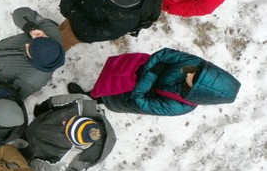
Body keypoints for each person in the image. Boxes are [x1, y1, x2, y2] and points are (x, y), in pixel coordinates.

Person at [88, 48, 241, 116]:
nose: (190, 74)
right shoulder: (196, 64)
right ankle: (90, 94)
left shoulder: (180, 106)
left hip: (123, 96)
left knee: (103, 96)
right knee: (102, 82)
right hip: (129, 71)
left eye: (192, 80)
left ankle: (90, 101)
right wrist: (149, 70)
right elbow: (164, 54)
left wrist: (152, 73)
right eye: (195, 72)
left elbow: (140, 102)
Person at [0, 7, 65, 100]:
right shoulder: (49, 30)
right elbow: (19, 13)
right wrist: (31, 28)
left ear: (35, 62)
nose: (26, 44)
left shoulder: (32, 81)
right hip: (0, 53)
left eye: (29, 50)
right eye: (32, 43)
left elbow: (13, 96)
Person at [20, 93, 115, 171]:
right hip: (39, 124)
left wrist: (30, 161)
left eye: (67, 127)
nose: (63, 121)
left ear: (74, 142)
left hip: (35, 148)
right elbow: (61, 100)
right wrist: (45, 106)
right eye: (71, 120)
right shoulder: (84, 103)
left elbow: (50, 170)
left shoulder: (71, 163)